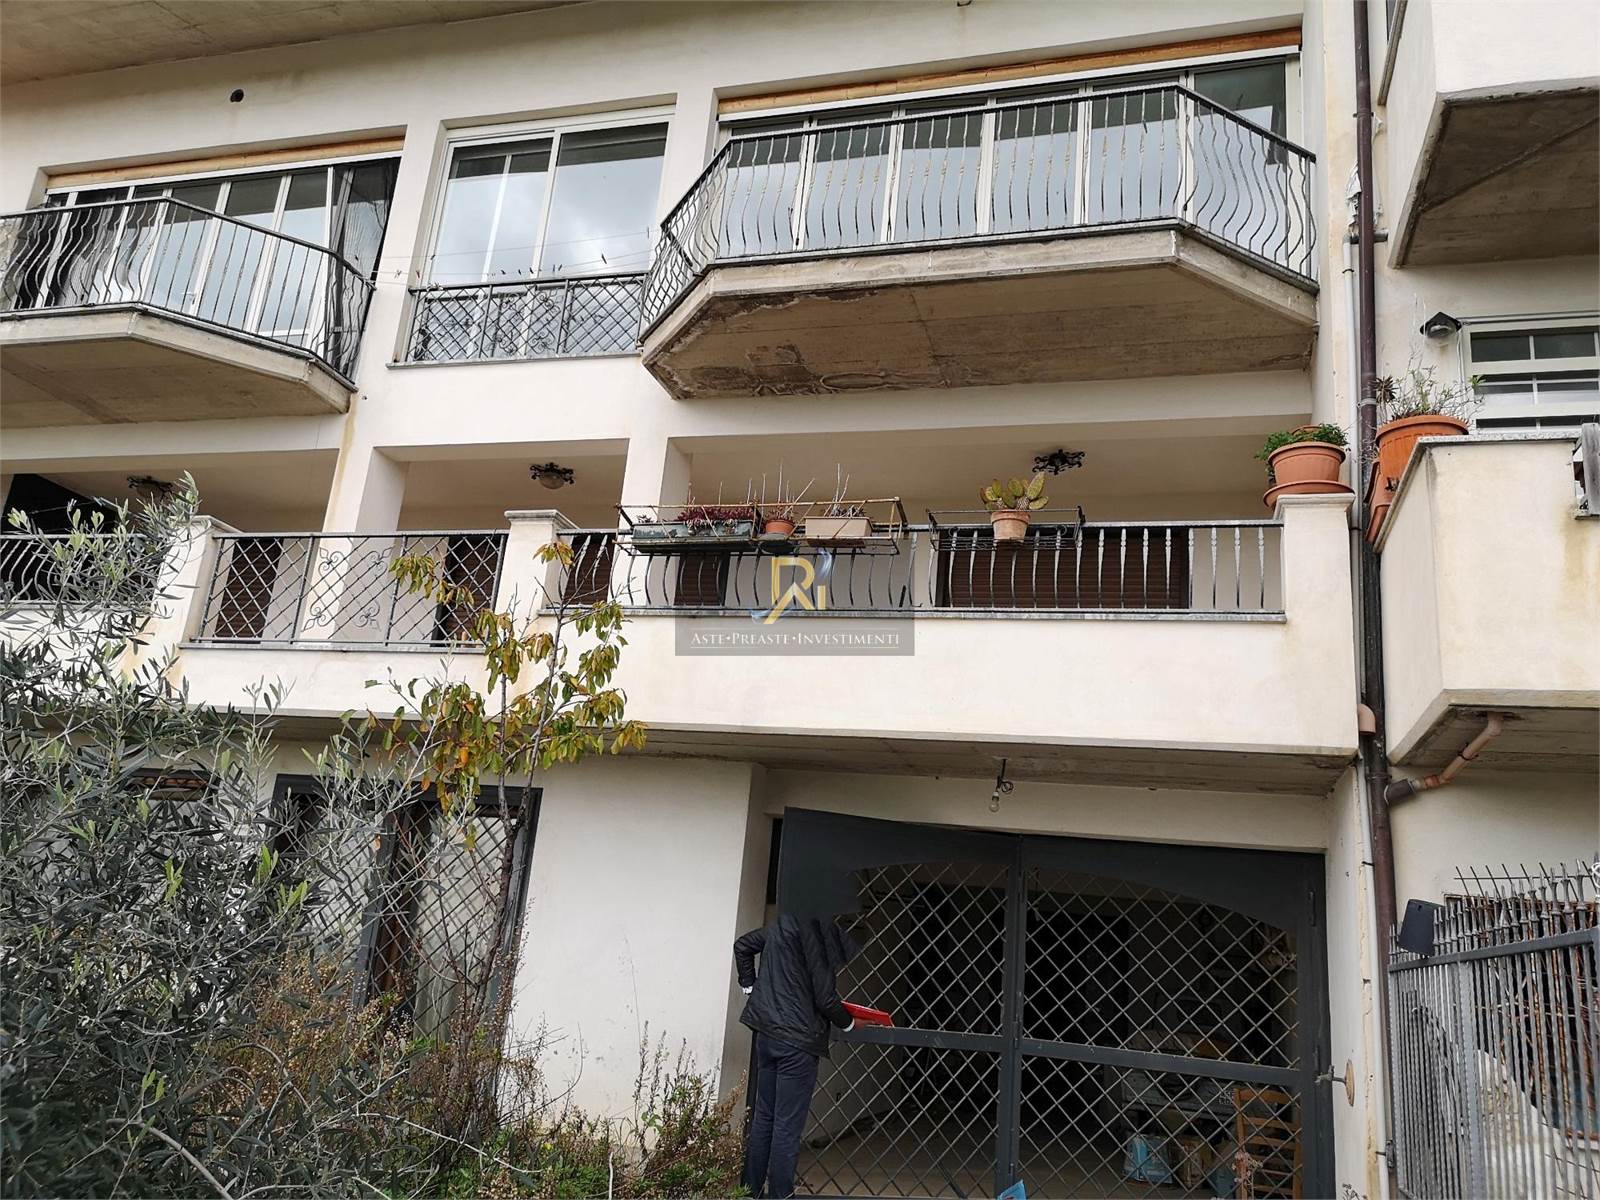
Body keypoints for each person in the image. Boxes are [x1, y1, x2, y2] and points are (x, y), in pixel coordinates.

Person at [733, 913, 860, 1199]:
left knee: (764, 1119)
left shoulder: (784, 925)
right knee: (786, 1128)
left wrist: (750, 986)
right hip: (797, 1044)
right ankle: (781, 1195)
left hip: (766, 1035)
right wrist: (850, 1023)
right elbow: (826, 999)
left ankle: (748, 1193)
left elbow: (743, 945)